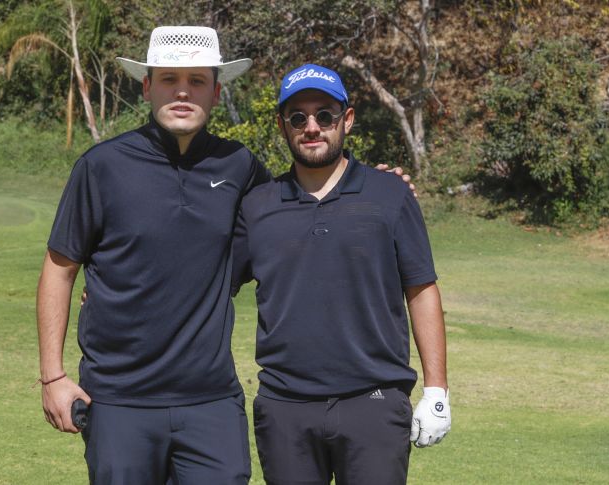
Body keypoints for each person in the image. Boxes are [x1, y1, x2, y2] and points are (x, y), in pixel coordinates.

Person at [37, 27, 413, 485]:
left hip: (211, 401)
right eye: (169, 79)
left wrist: (378, 188)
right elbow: (59, 269)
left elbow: (299, 209)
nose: (182, 91)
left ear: (216, 93)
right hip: (119, 399)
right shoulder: (100, 167)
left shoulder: (239, 166)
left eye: (197, 80)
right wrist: (52, 377)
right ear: (147, 87)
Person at [231, 64, 451, 485]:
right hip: (285, 407)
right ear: (282, 125)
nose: (312, 127)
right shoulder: (257, 205)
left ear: (346, 120)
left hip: (374, 402)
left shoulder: (390, 194)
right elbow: (211, 282)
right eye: (298, 117)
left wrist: (437, 390)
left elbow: (421, 289)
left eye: (325, 115)